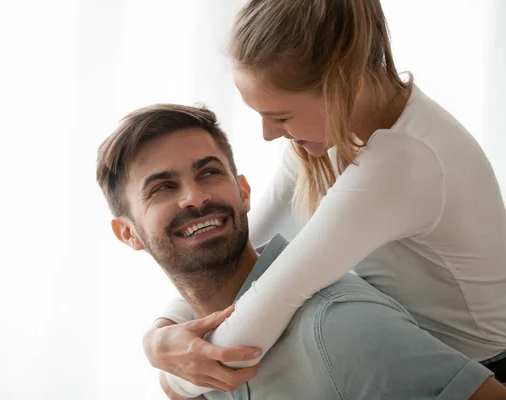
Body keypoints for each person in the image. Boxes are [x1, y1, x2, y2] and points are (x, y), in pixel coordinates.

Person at [142, 0, 506, 395]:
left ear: (345, 85)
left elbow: (266, 306)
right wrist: (161, 334)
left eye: (280, 116)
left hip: (477, 375)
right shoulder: (334, 130)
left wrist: (171, 378)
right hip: (398, 352)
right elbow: (240, 253)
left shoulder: (401, 161)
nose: (268, 133)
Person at [95, 104, 505, 399]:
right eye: (163, 187)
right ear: (128, 234)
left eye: (209, 172)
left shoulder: (340, 327)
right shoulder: (195, 357)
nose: (193, 197)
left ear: (243, 191)